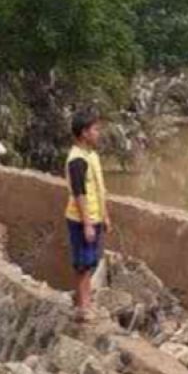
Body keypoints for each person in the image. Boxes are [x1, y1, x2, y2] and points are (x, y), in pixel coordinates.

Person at [65, 109, 110, 322]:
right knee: (83, 264)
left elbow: (99, 190)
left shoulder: (91, 156)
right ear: (84, 133)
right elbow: (79, 193)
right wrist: (87, 224)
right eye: (95, 129)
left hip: (94, 216)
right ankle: (84, 308)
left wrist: (105, 215)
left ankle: (84, 302)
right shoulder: (77, 160)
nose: (98, 133)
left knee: (90, 262)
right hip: (82, 219)